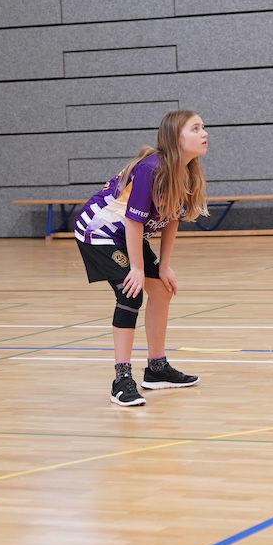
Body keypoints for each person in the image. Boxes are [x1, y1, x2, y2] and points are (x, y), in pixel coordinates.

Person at [72, 109, 209, 408]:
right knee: (130, 294)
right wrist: (136, 268)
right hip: (100, 232)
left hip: (131, 234)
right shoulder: (151, 169)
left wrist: (163, 264)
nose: (204, 133)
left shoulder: (186, 171)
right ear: (176, 137)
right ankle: (121, 380)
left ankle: (157, 368)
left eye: (203, 128)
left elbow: (172, 218)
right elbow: (133, 223)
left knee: (161, 289)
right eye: (196, 128)